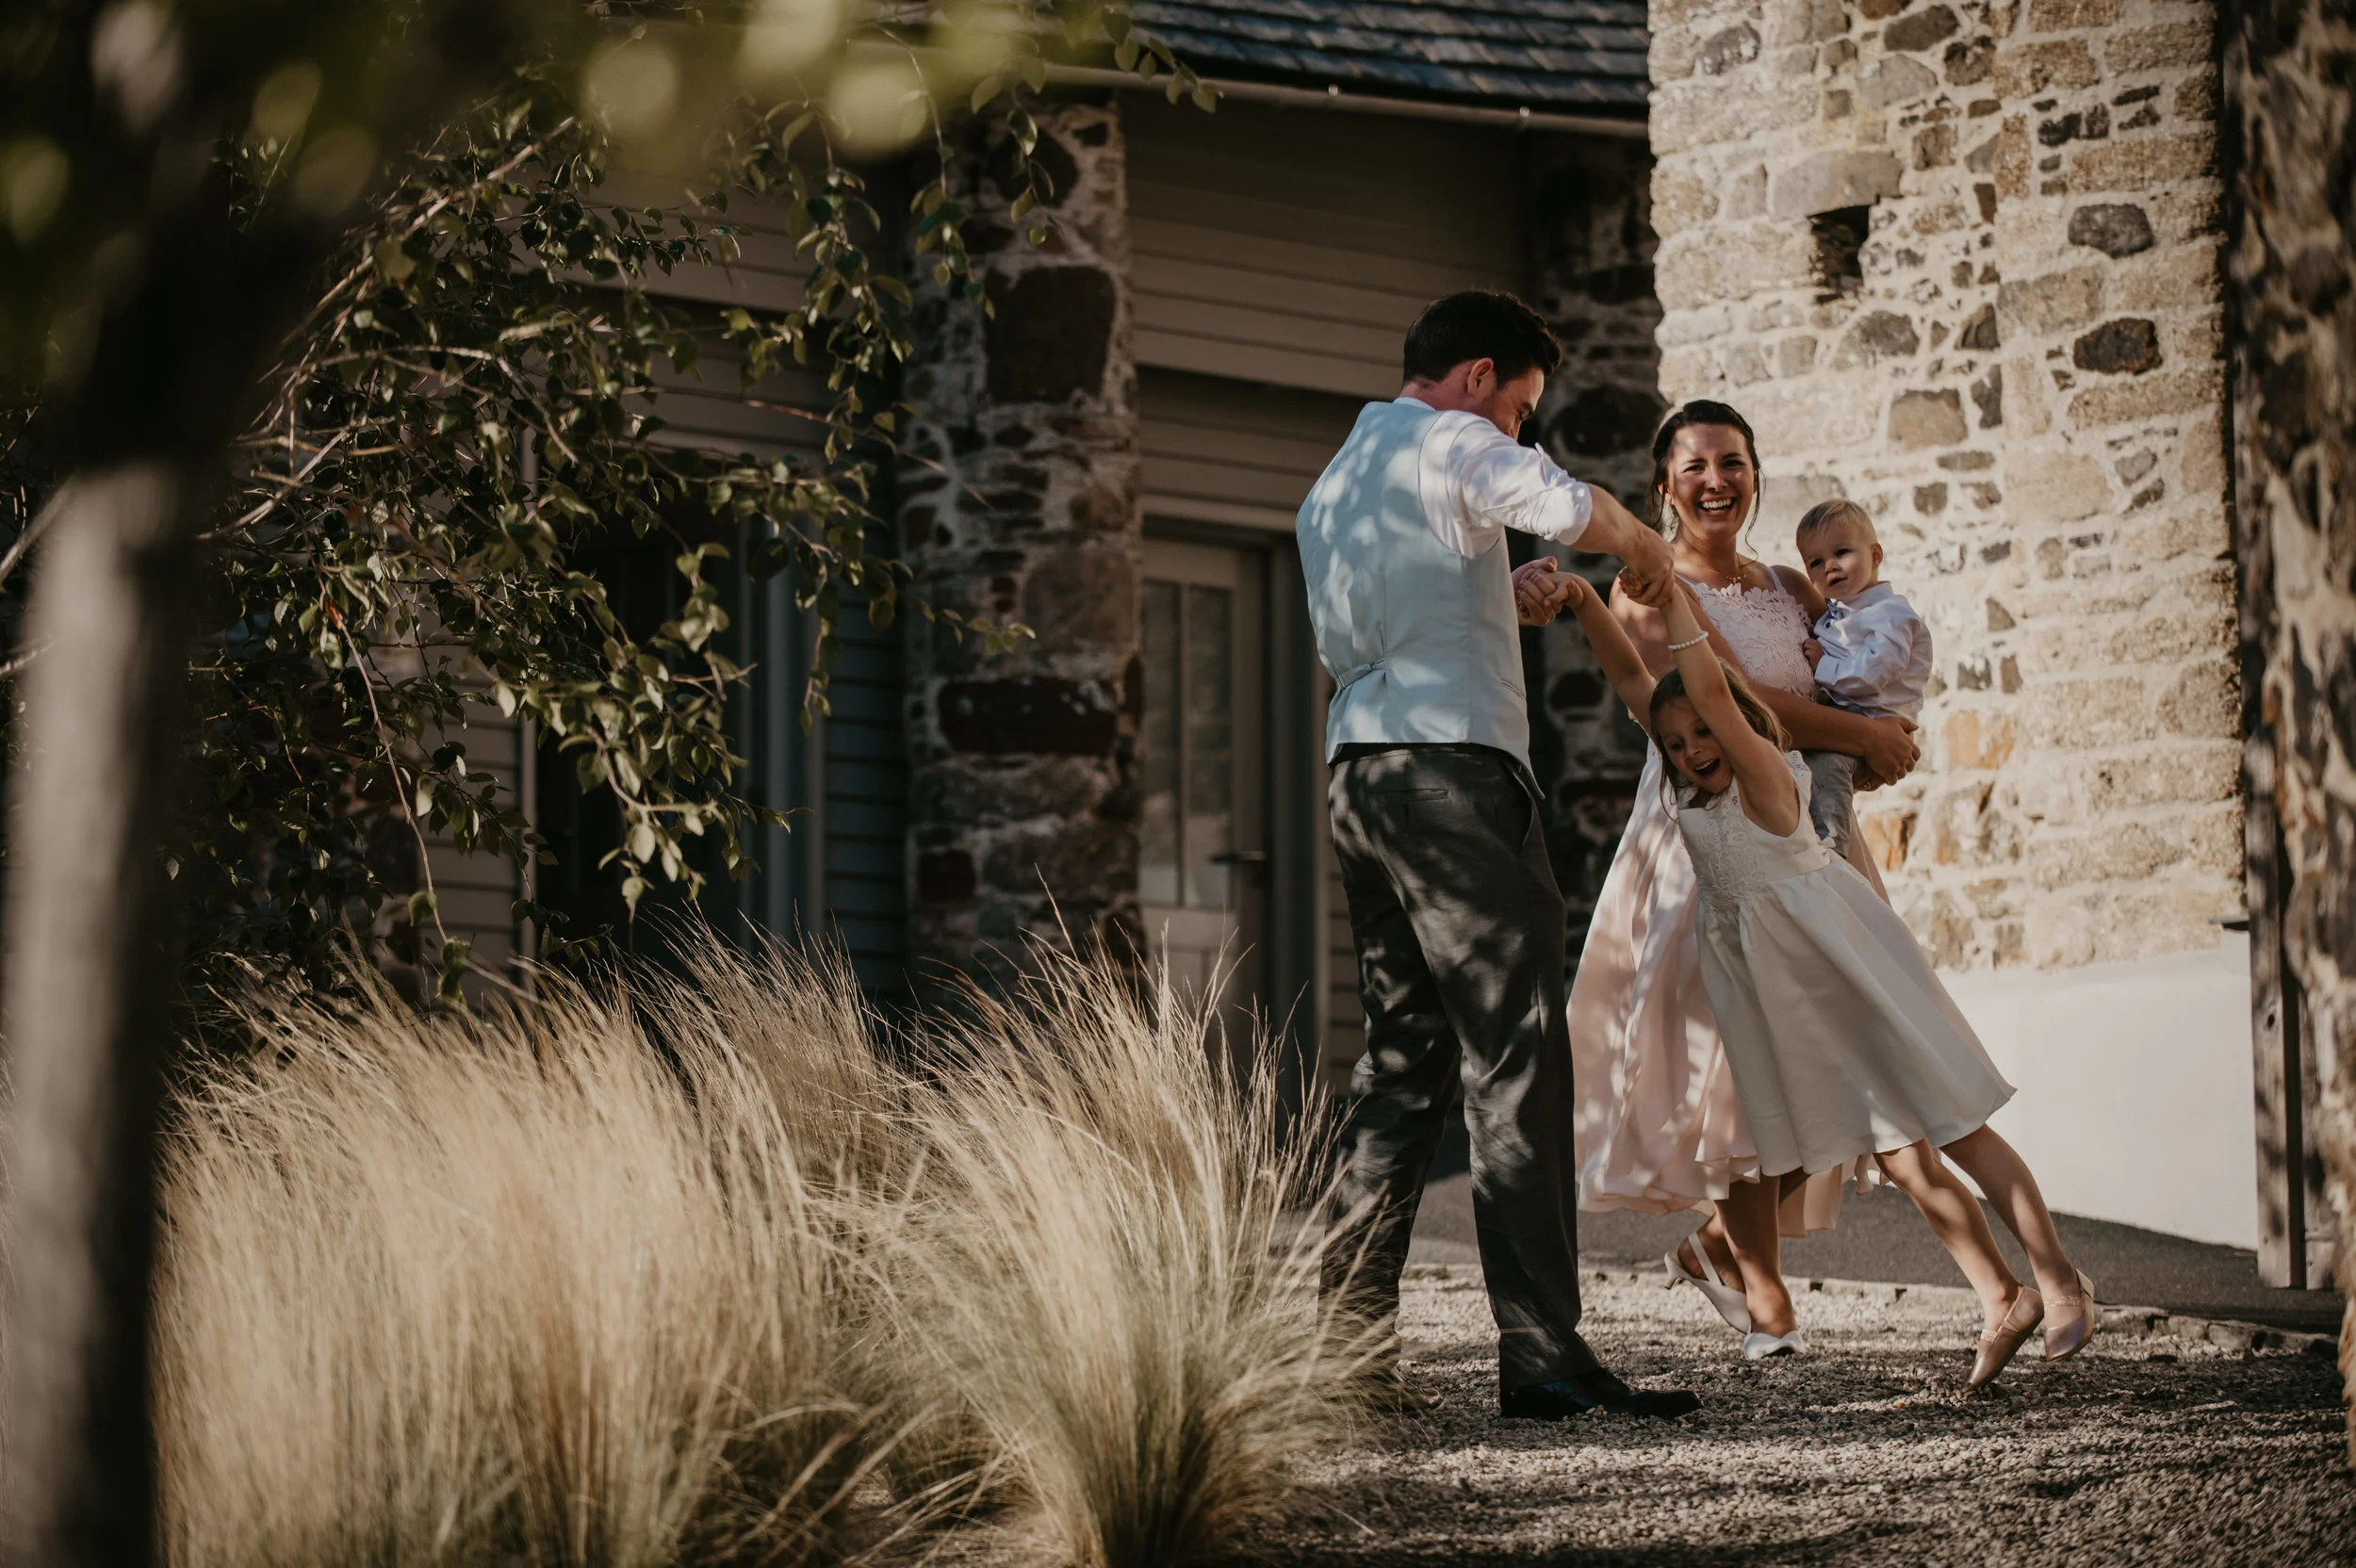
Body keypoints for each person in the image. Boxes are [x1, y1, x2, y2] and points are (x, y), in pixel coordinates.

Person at [1297, 288, 1698, 1422]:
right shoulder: (1459, 438)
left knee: (1401, 1066)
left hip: (1359, 778)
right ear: (1478, 376)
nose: (1520, 428)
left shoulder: (1337, 478)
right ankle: (1541, 1356)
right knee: (1514, 1057)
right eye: (1522, 406)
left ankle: (1341, 1356)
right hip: (1455, 783)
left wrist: (1504, 586)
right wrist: (1644, 549)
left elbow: (1395, 615)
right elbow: (1561, 502)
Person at [1565, 567, 2098, 1386]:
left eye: (1702, 733)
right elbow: (1636, 682)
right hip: (1789, 1007)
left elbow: (1702, 683)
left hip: (1846, 984)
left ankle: (2053, 1279)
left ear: (1738, 723)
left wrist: (1672, 599)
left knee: (1952, 1131)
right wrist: (1584, 600)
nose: (1690, 751)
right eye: (1674, 745)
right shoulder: (1690, 783)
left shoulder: (1766, 777)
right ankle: (2003, 1296)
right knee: (1904, 1159)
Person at [1568, 402, 1920, 1353]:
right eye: (1695, 466)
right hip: (1704, 840)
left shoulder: (1787, 585)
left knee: (1817, 1038)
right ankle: (1765, 1292)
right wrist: (1866, 737)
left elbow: (1840, 676)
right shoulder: (1650, 586)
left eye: (1732, 462)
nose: (1716, 480)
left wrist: (1888, 733)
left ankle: (1720, 1244)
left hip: (1800, 827)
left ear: (1754, 476)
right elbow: (1735, 707)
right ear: (1664, 485)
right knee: (1734, 1048)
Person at [1793, 499, 1933, 857]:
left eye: (1842, 552)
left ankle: (1831, 848)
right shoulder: (1835, 617)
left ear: (1875, 554)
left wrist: (1823, 664)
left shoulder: (1890, 615)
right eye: (1816, 562)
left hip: (1876, 720)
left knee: (1826, 767)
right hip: (1849, 714)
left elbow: (1873, 674)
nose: (1831, 566)